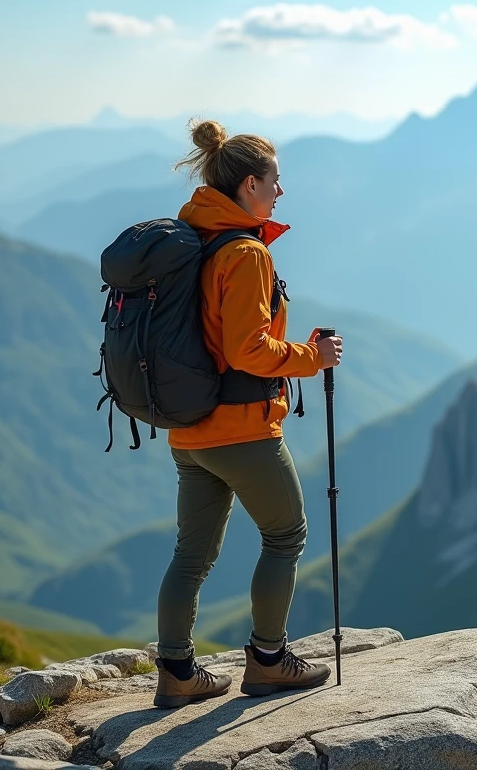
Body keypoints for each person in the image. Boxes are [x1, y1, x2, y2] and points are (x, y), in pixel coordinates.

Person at [151, 118, 343, 709]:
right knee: (287, 534)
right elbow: (247, 350)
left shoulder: (194, 238)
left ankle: (177, 673)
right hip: (241, 428)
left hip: (189, 430)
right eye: (276, 181)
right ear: (252, 184)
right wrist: (313, 357)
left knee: (191, 554)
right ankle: (267, 660)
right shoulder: (245, 252)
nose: (281, 192)